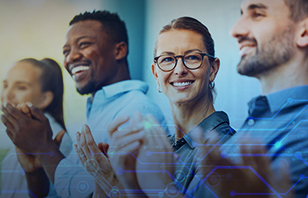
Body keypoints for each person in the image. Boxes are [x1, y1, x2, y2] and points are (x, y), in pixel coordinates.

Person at [1, 10, 167, 198]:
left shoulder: (137, 111)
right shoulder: (99, 111)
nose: (70, 58)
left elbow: (91, 193)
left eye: (84, 44)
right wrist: (35, 170)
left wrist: (43, 147)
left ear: (119, 50)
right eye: (66, 51)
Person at [75, 16, 236, 197]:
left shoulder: (229, 151)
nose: (179, 69)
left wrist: (112, 181)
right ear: (156, 74)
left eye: (192, 57)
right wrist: (102, 181)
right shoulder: (151, 148)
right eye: (167, 59)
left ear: (213, 69)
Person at [196, 0, 308, 197]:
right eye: (241, 15)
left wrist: (160, 186)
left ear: (304, 32)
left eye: (257, 14)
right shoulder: (257, 122)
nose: (235, 31)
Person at [0, 58, 72, 198]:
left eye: (21, 87)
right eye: (5, 85)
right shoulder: (17, 135)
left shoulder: (57, 141)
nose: (7, 95)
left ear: (44, 99)